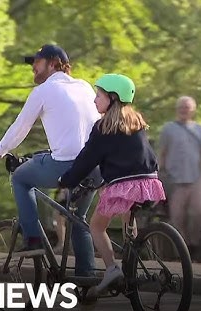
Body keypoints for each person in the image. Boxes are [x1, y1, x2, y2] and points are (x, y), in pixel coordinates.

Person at [0, 44, 101, 277]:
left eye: (36, 62)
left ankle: (33, 239)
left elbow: (20, 128)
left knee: (20, 178)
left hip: (66, 165)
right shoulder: (85, 87)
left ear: (53, 63)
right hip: (95, 167)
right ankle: (86, 279)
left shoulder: (44, 91)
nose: (33, 68)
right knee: (78, 220)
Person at [59, 73, 165, 293]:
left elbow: (86, 160)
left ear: (113, 98)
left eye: (99, 95)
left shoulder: (103, 127)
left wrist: (67, 180)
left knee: (96, 227)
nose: (95, 99)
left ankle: (112, 269)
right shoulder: (137, 121)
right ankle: (132, 258)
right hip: (149, 180)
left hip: (123, 184)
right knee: (128, 213)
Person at [158, 96, 201, 261]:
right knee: (177, 216)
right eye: (181, 106)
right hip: (175, 179)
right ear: (177, 109)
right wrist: (160, 175)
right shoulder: (168, 129)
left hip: (196, 178)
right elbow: (163, 153)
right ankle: (185, 248)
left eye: (187, 107)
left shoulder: (200, 130)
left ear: (193, 110)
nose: (184, 109)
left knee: (200, 213)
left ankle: (194, 243)